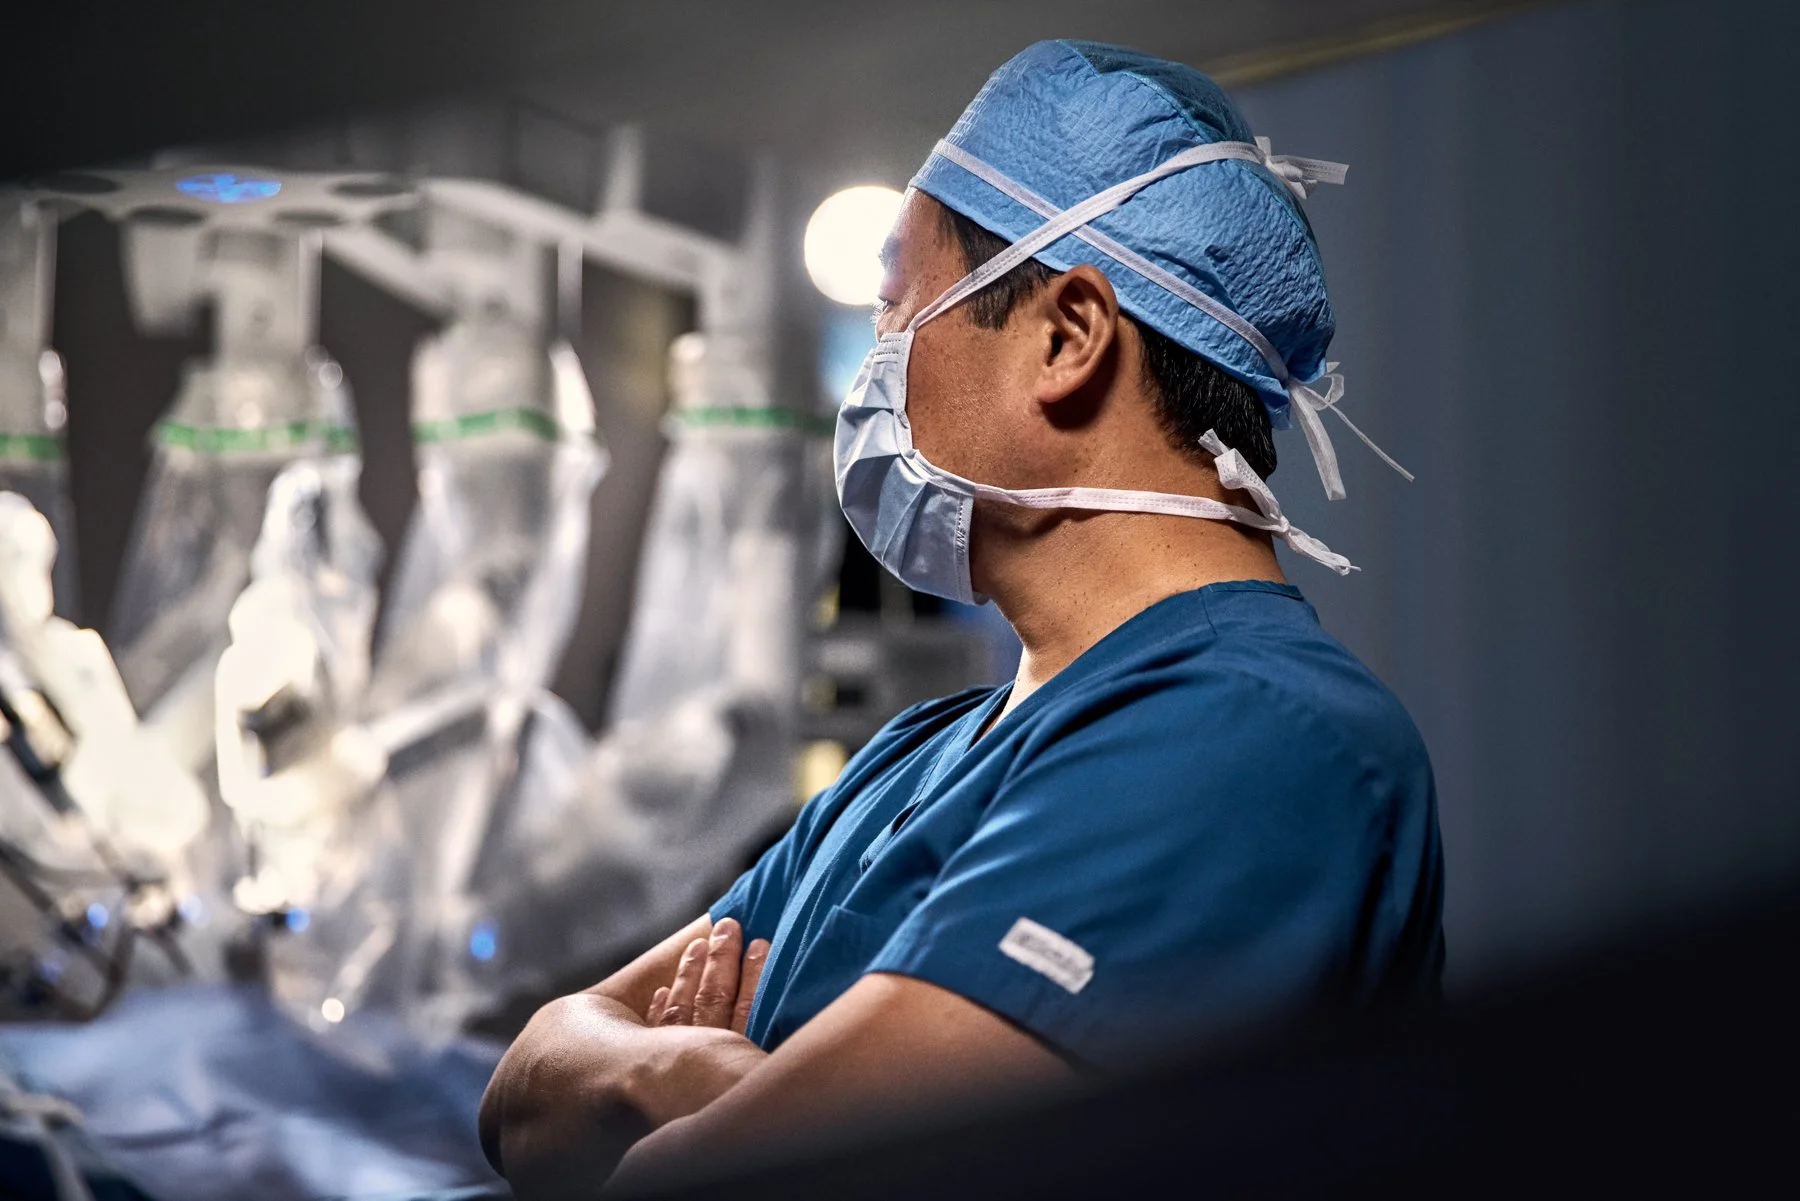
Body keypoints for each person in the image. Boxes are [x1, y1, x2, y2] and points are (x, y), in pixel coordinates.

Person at [479, 39, 1444, 1197]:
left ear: (1066, 336)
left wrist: (675, 1109)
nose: (873, 369)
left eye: (900, 308)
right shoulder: (911, 759)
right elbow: (524, 1091)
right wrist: (682, 1068)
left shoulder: (1261, 738)